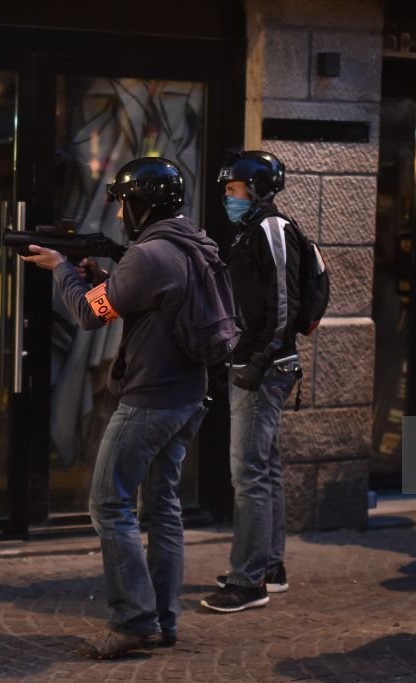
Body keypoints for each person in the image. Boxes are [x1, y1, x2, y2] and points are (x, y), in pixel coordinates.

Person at [22, 157, 211, 659]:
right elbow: (146, 299)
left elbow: (89, 314)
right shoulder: (193, 242)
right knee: (163, 507)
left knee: (109, 503)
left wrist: (62, 269)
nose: (121, 211)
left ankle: (133, 619)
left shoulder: (149, 255)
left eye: (125, 202)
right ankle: (163, 620)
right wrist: (105, 274)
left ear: (140, 204)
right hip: (191, 394)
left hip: (152, 397)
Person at [201, 150, 302, 614]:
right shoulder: (249, 231)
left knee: (249, 474)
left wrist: (259, 361)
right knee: (264, 467)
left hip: (264, 368)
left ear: (259, 189)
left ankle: (249, 581)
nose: (228, 196)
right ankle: (270, 567)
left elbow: (283, 305)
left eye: (234, 189)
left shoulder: (272, 230)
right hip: (253, 363)